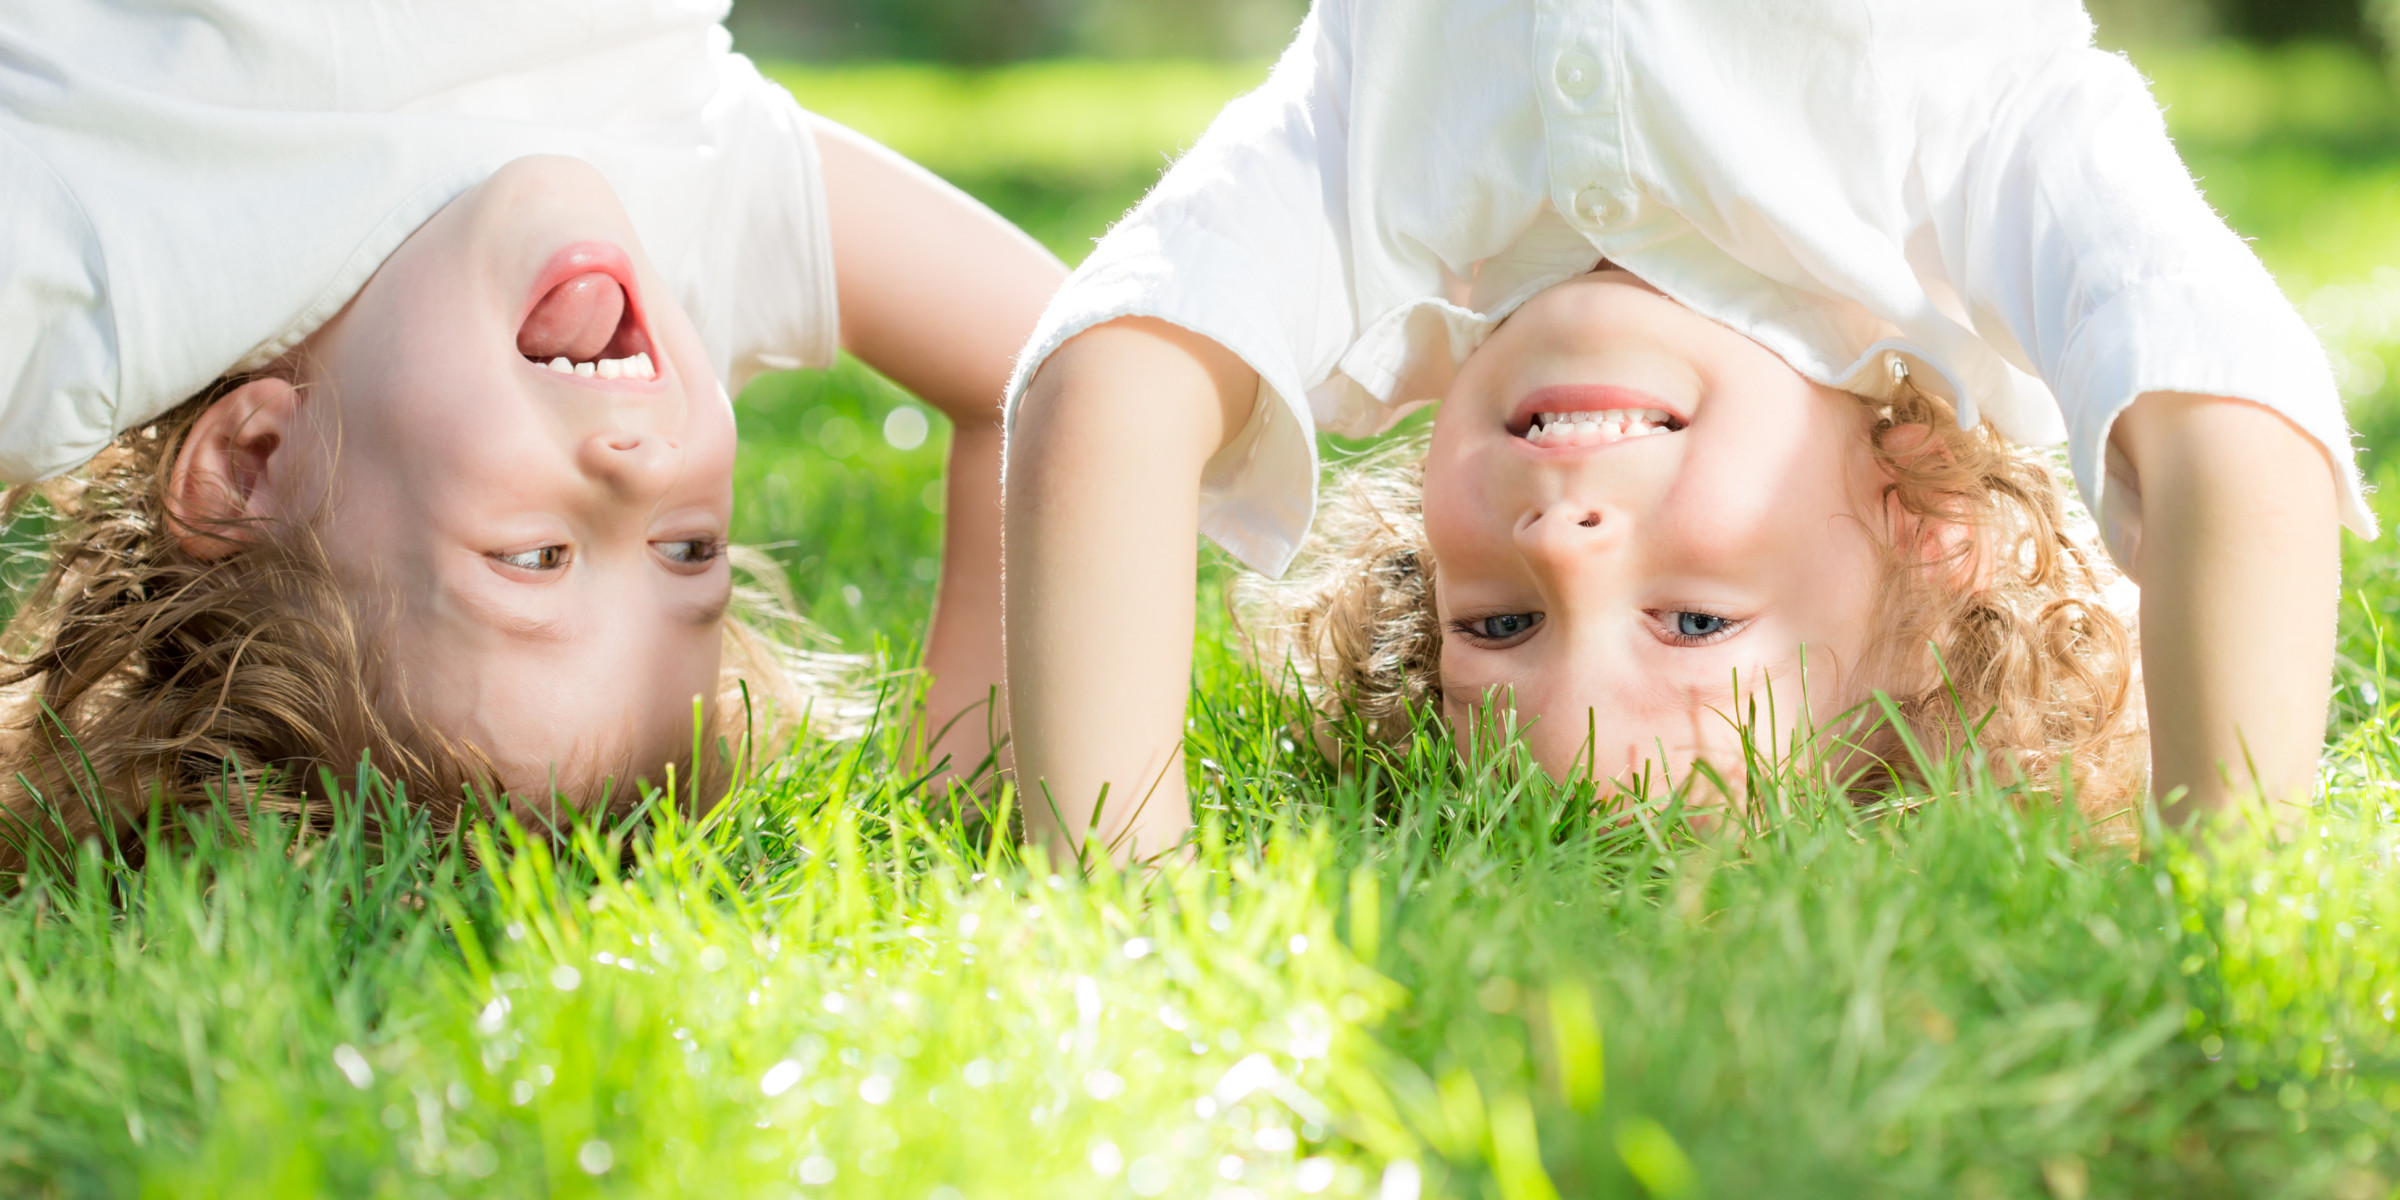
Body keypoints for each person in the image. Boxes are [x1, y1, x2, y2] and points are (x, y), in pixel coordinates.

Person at [1002, 0, 2372, 861]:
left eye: (1499, 624)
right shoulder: (1976, 127)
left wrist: (1124, 892)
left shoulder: (1376, 153)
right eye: (1693, 625)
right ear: (1926, 515)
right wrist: (2228, 894)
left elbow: (1101, 394)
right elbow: (2235, 426)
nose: (1564, 541)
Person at [0, 2, 1061, 863]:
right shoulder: (687, 210)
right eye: (689, 550)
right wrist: (958, 826)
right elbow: (1053, 371)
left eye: (536, 559)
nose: (638, 464)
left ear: (253, 467)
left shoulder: (104, 277)